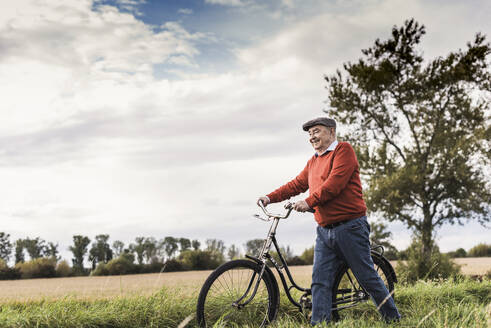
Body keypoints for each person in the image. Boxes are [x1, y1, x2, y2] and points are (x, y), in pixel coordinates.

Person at [257, 117, 400, 325]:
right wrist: (270, 197)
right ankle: (320, 324)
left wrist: (309, 201)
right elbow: (296, 184)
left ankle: (393, 319)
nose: (312, 137)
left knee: (367, 277)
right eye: (309, 134)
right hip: (324, 231)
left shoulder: (344, 151)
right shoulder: (314, 161)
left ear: (331, 132)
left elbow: (334, 184)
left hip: (350, 227)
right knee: (320, 282)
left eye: (316, 131)